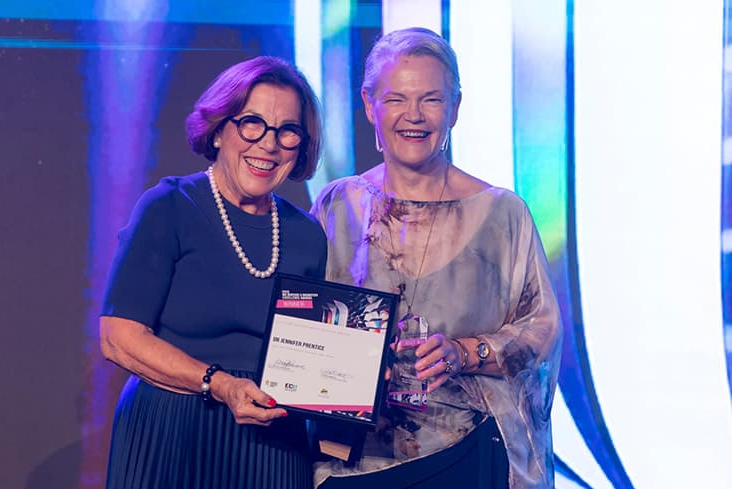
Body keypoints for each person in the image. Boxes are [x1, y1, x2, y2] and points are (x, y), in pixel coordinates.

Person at [310, 28, 563, 488]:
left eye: (430, 99)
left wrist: (465, 353)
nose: (413, 116)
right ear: (369, 105)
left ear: (455, 108)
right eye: (395, 100)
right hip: (352, 458)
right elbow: (301, 322)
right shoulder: (338, 206)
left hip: (465, 452)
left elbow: (541, 330)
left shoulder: (503, 213)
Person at [99, 56, 328, 489]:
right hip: (168, 434)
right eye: (252, 124)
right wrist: (219, 385)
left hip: (271, 444)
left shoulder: (306, 235)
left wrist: (357, 383)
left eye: (287, 131)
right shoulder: (169, 207)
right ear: (219, 128)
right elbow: (118, 338)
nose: (268, 144)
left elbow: (308, 356)